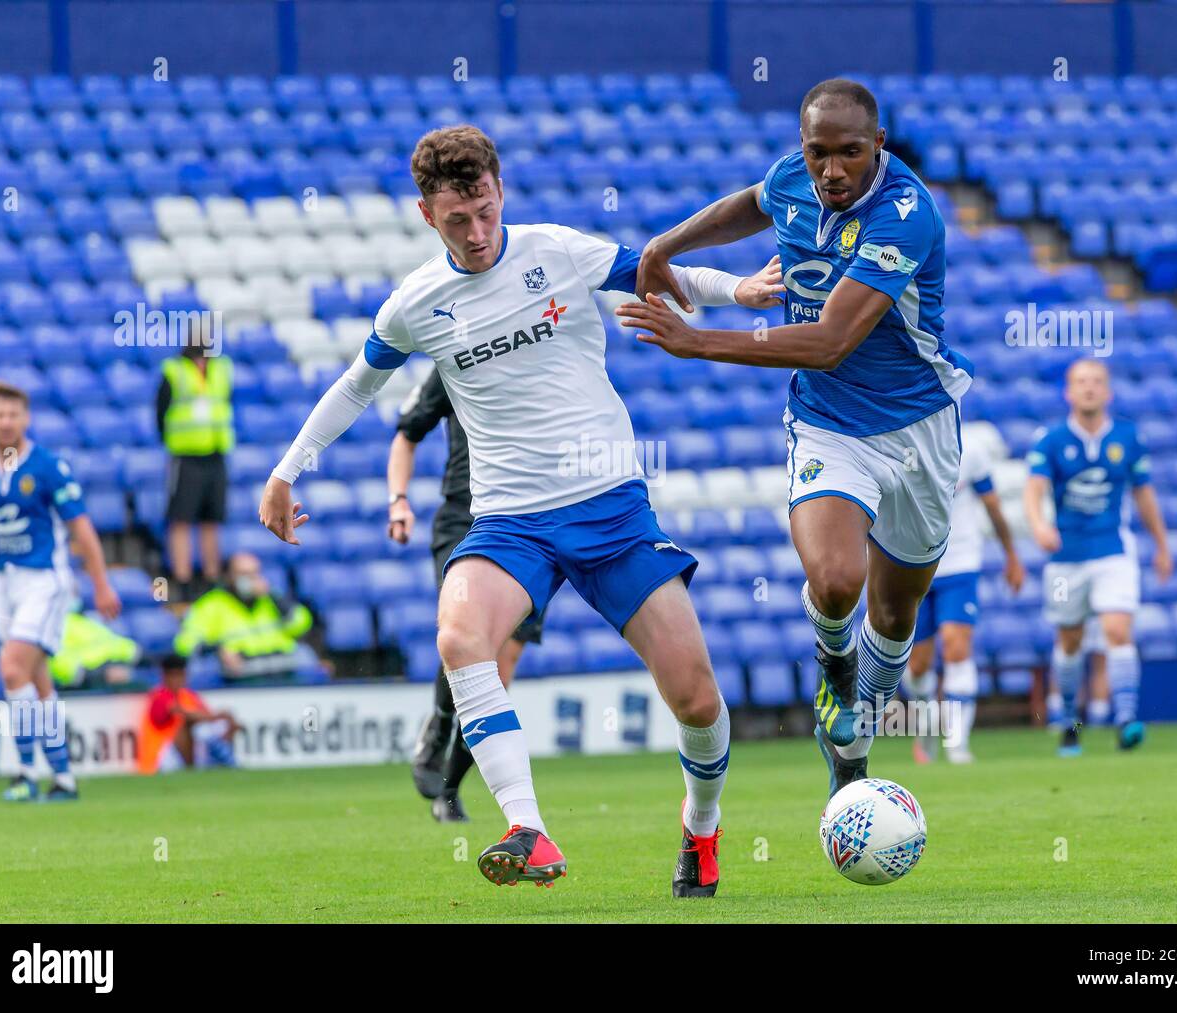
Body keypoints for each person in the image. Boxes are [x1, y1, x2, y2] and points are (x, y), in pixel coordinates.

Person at [260, 124, 784, 895]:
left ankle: (701, 828)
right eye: (455, 221)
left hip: (609, 511)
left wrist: (735, 290)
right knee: (459, 634)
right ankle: (526, 826)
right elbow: (356, 385)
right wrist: (285, 470)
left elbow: (653, 268)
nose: (475, 235)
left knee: (698, 697)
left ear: (499, 189)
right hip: (510, 522)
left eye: (483, 211)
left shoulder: (557, 251)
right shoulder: (415, 302)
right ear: (424, 215)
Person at [619, 78, 971, 799]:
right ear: (803, 148)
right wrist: (667, 243)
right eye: (818, 153)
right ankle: (835, 666)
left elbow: (832, 339)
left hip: (919, 428)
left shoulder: (905, 214)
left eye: (849, 153)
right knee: (838, 579)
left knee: (896, 611)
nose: (831, 170)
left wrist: (699, 341)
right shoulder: (793, 177)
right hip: (829, 423)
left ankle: (851, 733)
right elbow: (751, 204)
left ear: (879, 145)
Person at [387, 368, 545, 823]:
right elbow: (406, 432)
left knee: (501, 666)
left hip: (532, 527)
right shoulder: (458, 356)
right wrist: (398, 500)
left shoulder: (549, 353)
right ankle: (438, 726)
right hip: (467, 518)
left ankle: (450, 788)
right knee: (467, 634)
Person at [0, 380, 122, 801]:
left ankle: (24, 772)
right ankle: (64, 778)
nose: (6, 421)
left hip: (45, 581)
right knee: (37, 680)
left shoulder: (48, 466)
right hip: (5, 584)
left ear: (26, 419)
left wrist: (101, 583)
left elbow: (81, 528)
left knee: (12, 667)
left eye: (14, 414)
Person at [1024, 358, 1172, 754]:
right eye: (1081, 382)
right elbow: (1034, 488)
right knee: (1070, 641)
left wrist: (1161, 544)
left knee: (1118, 630)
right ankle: (1070, 722)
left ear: (1107, 391)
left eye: (1096, 382)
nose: (1089, 388)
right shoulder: (1051, 439)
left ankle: (1126, 721)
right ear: (1068, 392)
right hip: (1065, 557)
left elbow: (1143, 492)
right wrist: (1038, 524)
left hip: (1113, 550)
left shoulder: (1128, 437)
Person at [903, 425, 1023, 764]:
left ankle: (957, 744)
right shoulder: (896, 440)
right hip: (911, 564)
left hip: (960, 563)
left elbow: (992, 506)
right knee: (918, 664)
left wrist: (1011, 555)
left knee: (957, 647)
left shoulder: (969, 449)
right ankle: (926, 728)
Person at [157, 320, 233, 601]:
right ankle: (183, 580)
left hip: (216, 452)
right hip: (186, 456)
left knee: (212, 518)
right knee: (181, 518)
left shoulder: (223, 369)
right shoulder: (174, 371)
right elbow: (161, 413)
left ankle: (211, 579)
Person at [173, 552, 316, 681]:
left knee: (307, 656)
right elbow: (184, 645)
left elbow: (302, 623)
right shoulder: (211, 604)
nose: (251, 579)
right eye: (244, 574)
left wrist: (274, 596)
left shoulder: (272, 599)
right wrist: (217, 650)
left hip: (280, 665)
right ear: (228, 576)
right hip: (238, 673)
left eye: (255, 573)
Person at [138, 654, 241, 774]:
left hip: (183, 756)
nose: (178, 680)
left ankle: (224, 761)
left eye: (181, 675)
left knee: (212, 727)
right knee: (188, 725)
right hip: (159, 758)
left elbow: (207, 718)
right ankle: (225, 762)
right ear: (165, 677)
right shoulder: (160, 696)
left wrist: (225, 720)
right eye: (174, 676)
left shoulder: (189, 696)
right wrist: (217, 716)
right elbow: (182, 712)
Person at [49, 608, 141, 689]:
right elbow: (63, 669)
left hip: (116, 674)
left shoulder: (87, 619)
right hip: (84, 689)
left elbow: (128, 648)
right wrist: (104, 674)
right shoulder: (50, 627)